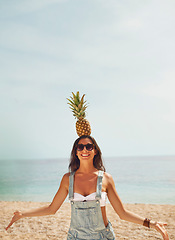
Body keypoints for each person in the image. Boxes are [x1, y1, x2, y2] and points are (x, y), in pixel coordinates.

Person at [6, 135, 169, 239]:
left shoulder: (106, 178)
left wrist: (151, 223)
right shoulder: (67, 179)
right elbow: (51, 208)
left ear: (95, 151)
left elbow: (122, 213)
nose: (85, 150)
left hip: (103, 236)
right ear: (75, 152)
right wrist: (22, 214)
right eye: (80, 147)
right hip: (75, 237)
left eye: (89, 146)